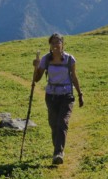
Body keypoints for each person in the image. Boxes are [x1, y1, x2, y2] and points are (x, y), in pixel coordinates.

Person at [33, 33, 84, 165]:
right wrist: (37, 67)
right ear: (50, 45)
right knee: (53, 124)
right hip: (51, 96)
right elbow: (37, 79)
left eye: (58, 42)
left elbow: (74, 77)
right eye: (53, 42)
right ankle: (57, 148)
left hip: (66, 95)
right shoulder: (46, 59)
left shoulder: (69, 59)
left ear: (63, 44)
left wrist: (80, 94)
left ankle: (58, 153)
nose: (56, 45)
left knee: (62, 122)